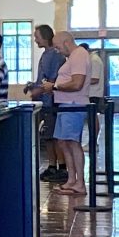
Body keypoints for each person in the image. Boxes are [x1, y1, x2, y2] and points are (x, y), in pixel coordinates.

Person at [42, 30, 92, 196]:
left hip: (73, 104)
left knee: (72, 142)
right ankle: (72, 179)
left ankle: (80, 183)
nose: (57, 50)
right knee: (63, 142)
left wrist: (54, 87)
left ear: (66, 42)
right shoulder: (73, 57)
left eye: (57, 46)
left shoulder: (79, 55)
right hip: (66, 104)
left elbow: (77, 83)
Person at [25, 25, 67, 183]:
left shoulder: (55, 55)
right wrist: (33, 86)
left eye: (37, 36)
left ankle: (61, 167)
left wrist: (39, 90)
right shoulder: (47, 54)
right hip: (45, 101)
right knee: (48, 136)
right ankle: (52, 165)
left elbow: (53, 79)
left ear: (45, 36)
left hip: (51, 101)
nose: (35, 39)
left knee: (54, 136)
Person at [81, 42, 105, 113]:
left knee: (92, 115)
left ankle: (94, 125)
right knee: (91, 115)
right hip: (90, 93)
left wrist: (80, 82)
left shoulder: (94, 60)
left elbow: (95, 79)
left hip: (93, 93)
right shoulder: (90, 59)